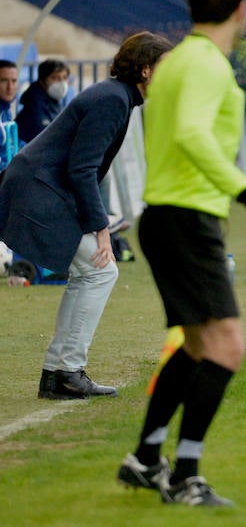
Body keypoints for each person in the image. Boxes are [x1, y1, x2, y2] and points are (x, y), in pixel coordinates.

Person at [118, 0, 246, 507]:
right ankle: (185, 475)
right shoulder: (206, 65)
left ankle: (147, 459)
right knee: (227, 347)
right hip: (187, 218)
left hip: (168, 216)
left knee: (198, 346)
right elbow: (195, 134)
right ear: (242, 10)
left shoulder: (174, 62)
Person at [0, 32, 174, 400]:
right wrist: (101, 229)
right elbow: (82, 168)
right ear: (145, 71)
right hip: (39, 190)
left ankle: (58, 373)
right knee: (100, 270)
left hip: (42, 187)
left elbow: (83, 168)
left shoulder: (116, 96)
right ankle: (65, 370)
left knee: (92, 273)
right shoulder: (113, 99)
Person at [15, 58, 71, 144]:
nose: (61, 82)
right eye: (55, 78)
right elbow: (47, 138)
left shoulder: (53, 100)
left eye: (64, 77)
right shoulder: (34, 104)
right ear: (42, 81)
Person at [0, 59, 17, 172]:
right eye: (4, 81)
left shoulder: (6, 110)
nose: (10, 87)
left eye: (14, 81)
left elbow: (11, 142)